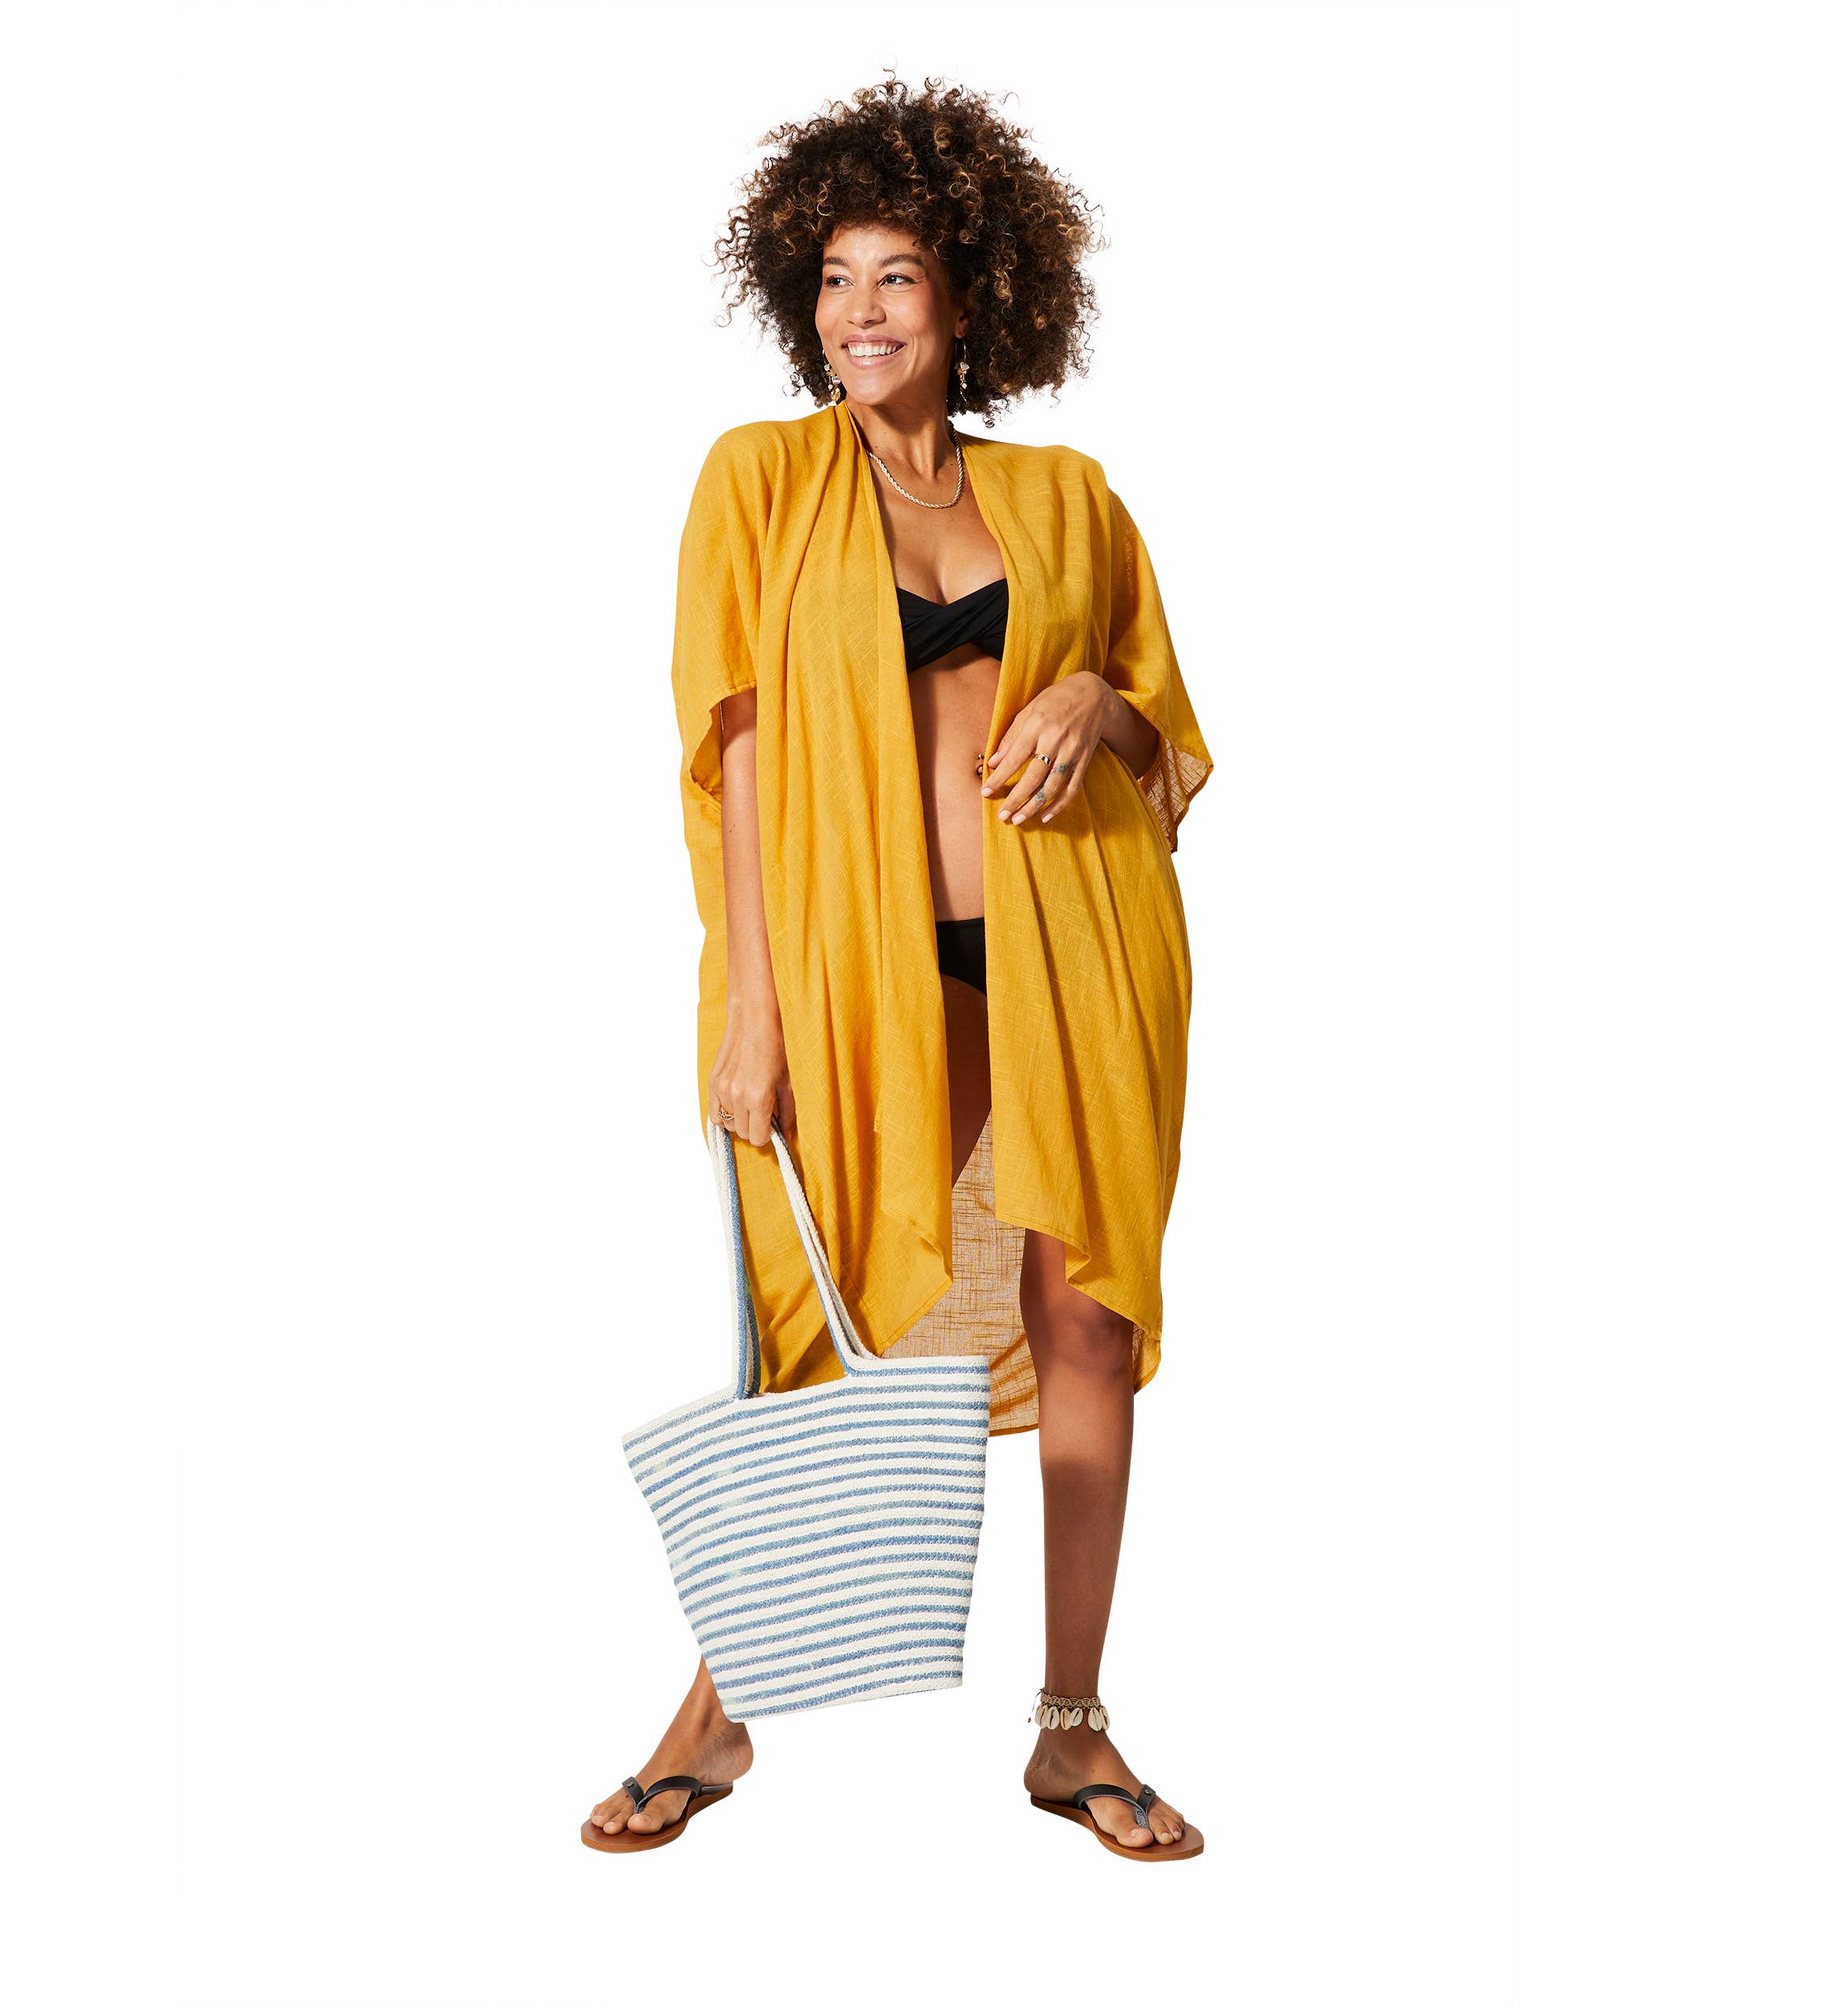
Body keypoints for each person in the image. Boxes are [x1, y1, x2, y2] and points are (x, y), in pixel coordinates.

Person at [584, 77, 1213, 1859]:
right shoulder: (763, 479)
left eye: (899, 277)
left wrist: (1091, 700)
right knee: (821, 1312)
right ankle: (719, 1706)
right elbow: (738, 750)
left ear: (969, 297)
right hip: (855, 965)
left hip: (1076, 950)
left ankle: (1073, 1728)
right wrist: (754, 1008)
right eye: (834, 279)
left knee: (1083, 1317)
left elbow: (1159, 726)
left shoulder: (1066, 497)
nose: (859, 313)